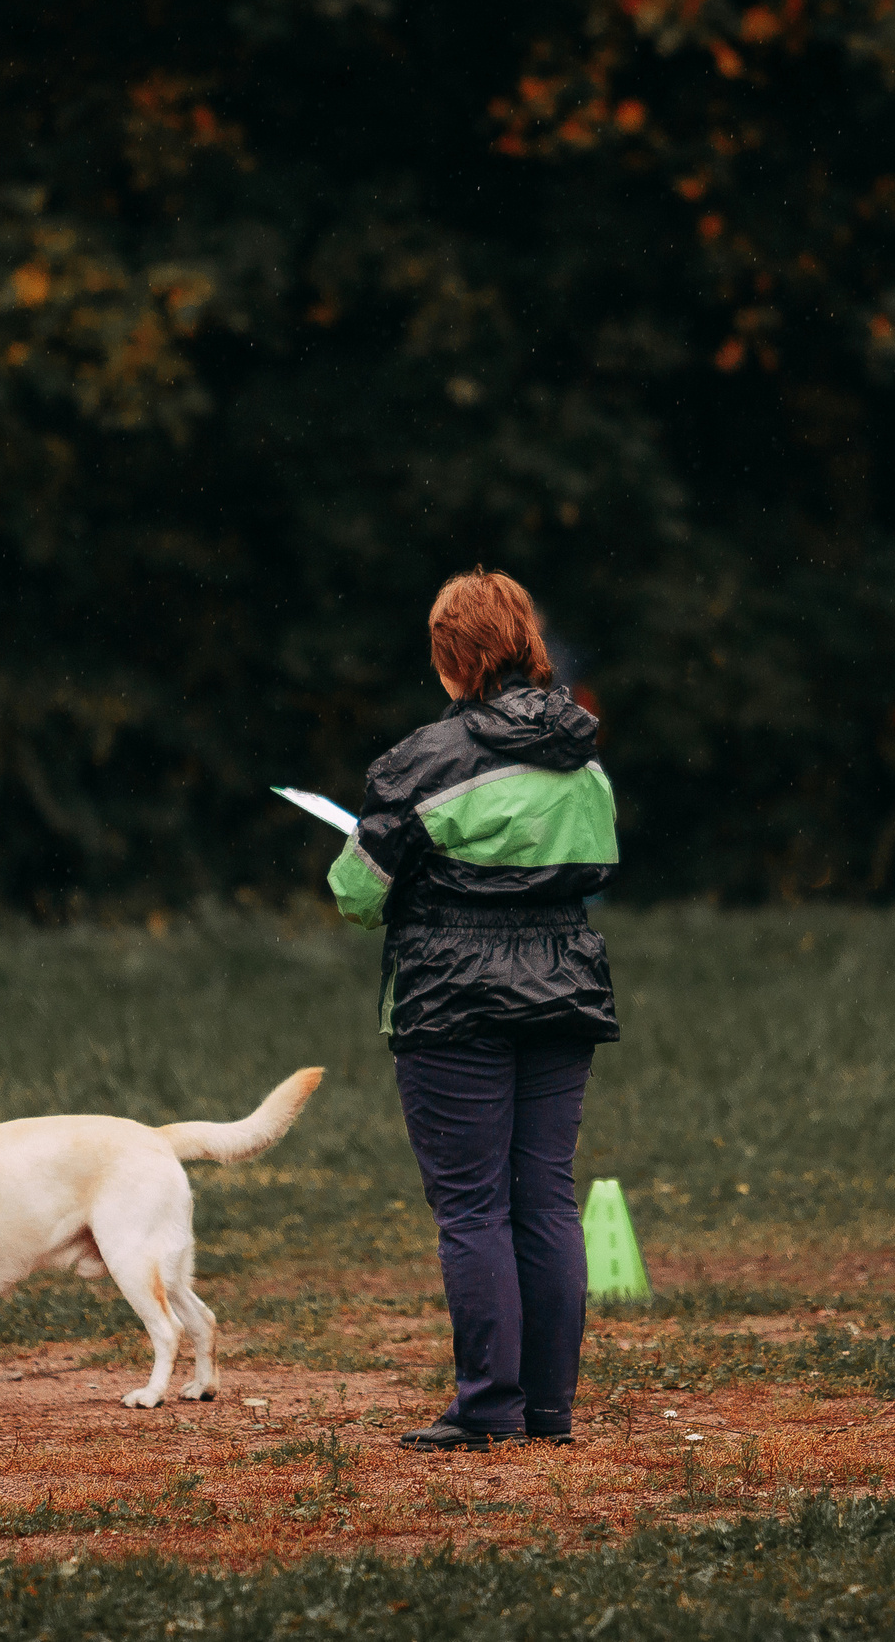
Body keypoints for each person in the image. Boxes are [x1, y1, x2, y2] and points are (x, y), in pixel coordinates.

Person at [328, 568, 619, 1449]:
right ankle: (549, 1411)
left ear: (450, 657)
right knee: (546, 1201)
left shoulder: (420, 760)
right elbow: (593, 863)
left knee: (472, 1208)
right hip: (564, 988)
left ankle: (489, 1407)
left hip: (451, 1001)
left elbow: (355, 895)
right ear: (526, 642)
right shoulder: (582, 754)